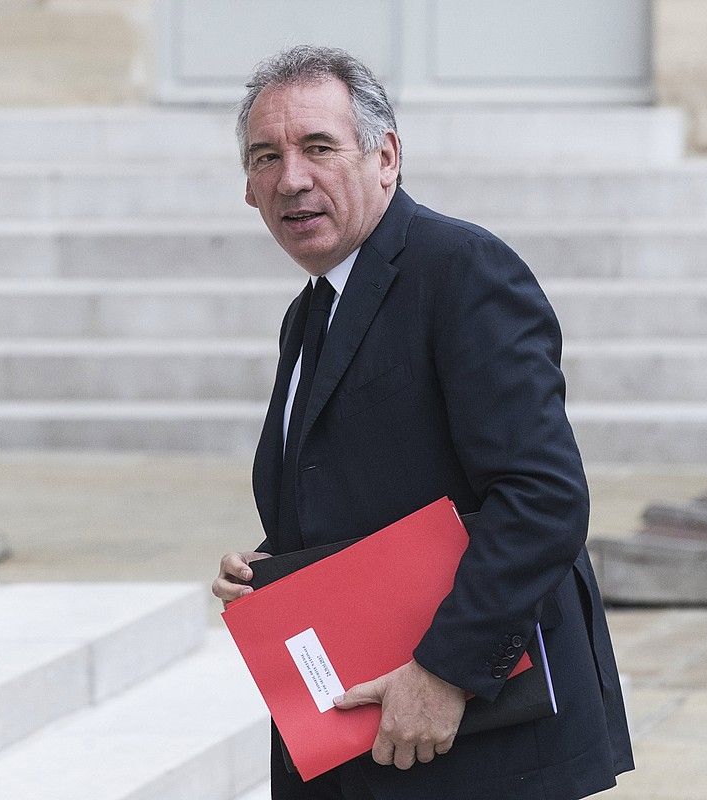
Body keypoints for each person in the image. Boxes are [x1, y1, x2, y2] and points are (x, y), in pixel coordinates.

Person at [211, 46, 633, 800]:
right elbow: (377, 481)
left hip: (473, 735)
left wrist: (447, 671)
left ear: (386, 156)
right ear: (247, 187)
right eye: (265, 156)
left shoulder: (461, 269)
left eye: (317, 147)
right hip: (364, 728)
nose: (291, 179)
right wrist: (274, 567)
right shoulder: (311, 311)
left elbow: (542, 498)